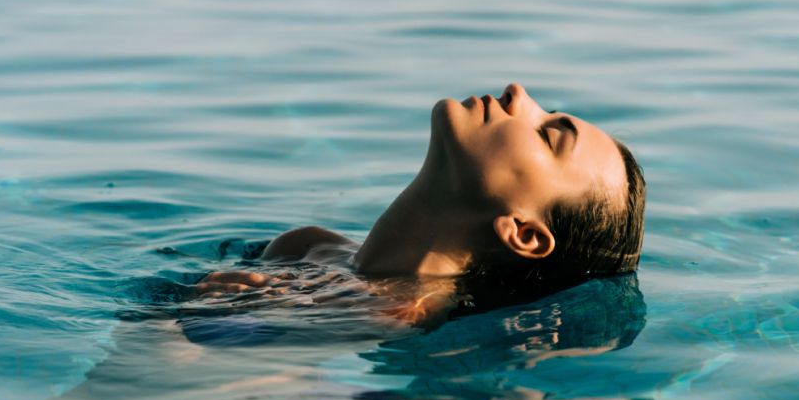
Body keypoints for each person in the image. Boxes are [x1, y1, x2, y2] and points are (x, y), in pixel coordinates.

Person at [196, 83, 646, 325]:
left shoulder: (394, 314)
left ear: (523, 233)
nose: (517, 93)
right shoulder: (304, 246)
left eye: (548, 134)